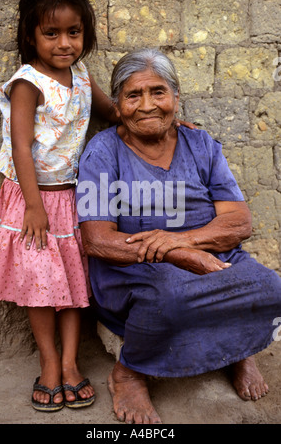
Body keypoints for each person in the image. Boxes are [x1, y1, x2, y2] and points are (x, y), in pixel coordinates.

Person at [76, 48, 281, 424]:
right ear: (118, 105)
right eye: (133, 95)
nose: (147, 105)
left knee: (273, 288)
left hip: (212, 255)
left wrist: (180, 241)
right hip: (135, 269)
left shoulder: (201, 144)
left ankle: (239, 351)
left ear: (176, 98)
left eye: (158, 92)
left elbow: (238, 223)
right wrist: (169, 255)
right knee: (170, 298)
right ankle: (130, 372)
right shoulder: (102, 152)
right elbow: (96, 240)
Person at [0, 0, 121, 412]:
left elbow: (110, 112)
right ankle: (48, 363)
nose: (65, 43)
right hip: (33, 201)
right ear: (31, 35)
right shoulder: (28, 83)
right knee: (42, 287)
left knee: (72, 283)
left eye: (74, 32)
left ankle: (70, 363)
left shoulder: (81, 75)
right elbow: (21, 146)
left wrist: (159, 118)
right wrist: (35, 206)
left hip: (70, 198)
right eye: (51, 33)